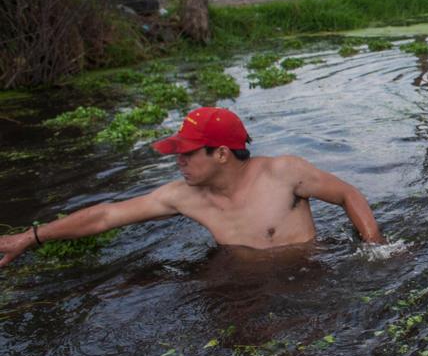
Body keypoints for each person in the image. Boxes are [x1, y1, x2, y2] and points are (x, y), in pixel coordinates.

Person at [0, 107, 384, 266]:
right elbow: (104, 216)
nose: (177, 160)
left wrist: (374, 247)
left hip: (305, 275)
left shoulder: (283, 173)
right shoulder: (183, 196)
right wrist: (30, 237)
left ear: (220, 154)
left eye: (186, 153)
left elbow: (348, 194)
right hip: (236, 280)